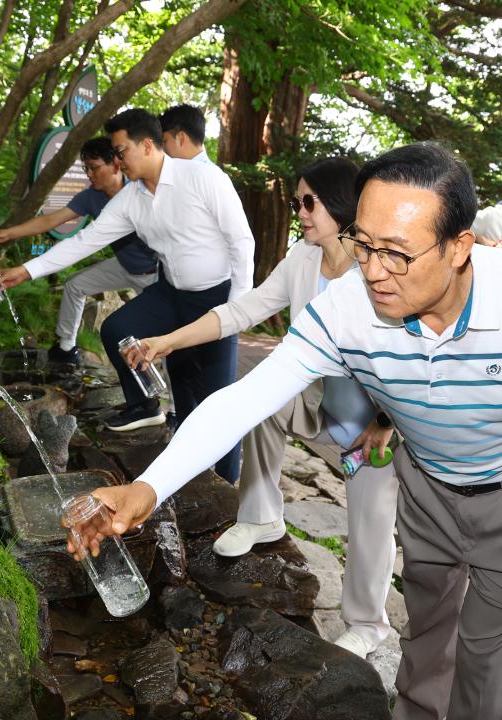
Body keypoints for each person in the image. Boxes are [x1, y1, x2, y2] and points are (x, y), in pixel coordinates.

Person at [67, 143, 502, 720]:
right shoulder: (347, 305)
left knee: (482, 651)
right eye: (363, 243)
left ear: (459, 247)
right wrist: (148, 487)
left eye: (396, 253)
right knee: (426, 635)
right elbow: (249, 397)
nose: (373, 270)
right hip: (429, 490)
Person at [126, 158, 399, 658]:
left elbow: (408, 352)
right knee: (262, 403)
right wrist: (167, 340)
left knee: (372, 512)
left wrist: (387, 420)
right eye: (297, 203)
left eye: (308, 201)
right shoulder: (302, 259)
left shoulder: (376, 271)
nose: (301, 212)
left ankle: (367, 624)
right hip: (318, 395)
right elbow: (242, 310)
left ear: (342, 205)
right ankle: (261, 516)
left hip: (375, 416)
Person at [0, 108, 254, 483]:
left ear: (148, 146)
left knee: (218, 398)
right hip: (170, 294)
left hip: (216, 301)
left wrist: (238, 310)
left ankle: (228, 482)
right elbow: (85, 241)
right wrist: (27, 270)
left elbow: (241, 242)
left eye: (121, 152)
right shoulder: (131, 198)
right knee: (121, 329)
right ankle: (152, 414)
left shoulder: (203, 177)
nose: (118, 161)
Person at [0, 137, 158, 364]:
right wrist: (8, 233)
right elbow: (52, 220)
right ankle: (66, 349)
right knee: (75, 284)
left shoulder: (138, 192)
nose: (89, 174)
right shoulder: (90, 197)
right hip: (124, 266)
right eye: (86, 168)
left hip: (156, 275)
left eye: (94, 168)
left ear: (115, 164)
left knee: (154, 337)